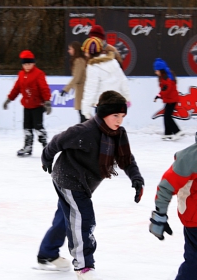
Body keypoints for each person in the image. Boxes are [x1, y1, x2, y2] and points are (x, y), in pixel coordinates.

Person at [38, 90, 144, 280]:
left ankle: (47, 253)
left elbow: (126, 159)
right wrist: (46, 158)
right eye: (115, 115)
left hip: (85, 182)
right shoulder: (84, 131)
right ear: (103, 114)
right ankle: (84, 266)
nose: (119, 120)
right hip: (68, 178)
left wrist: (136, 179)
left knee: (68, 216)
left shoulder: (118, 134)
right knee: (83, 220)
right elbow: (57, 142)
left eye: (122, 116)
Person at [149, 133, 197, 280]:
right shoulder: (190, 158)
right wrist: (160, 216)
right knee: (194, 265)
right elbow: (166, 186)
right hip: (195, 221)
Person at [3, 50, 51, 156]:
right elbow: (16, 89)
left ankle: (46, 147)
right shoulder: (21, 74)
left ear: (33, 63)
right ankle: (28, 147)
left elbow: (44, 88)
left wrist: (47, 102)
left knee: (38, 127)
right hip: (27, 106)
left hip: (38, 105)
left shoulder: (38, 74)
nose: (27, 66)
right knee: (27, 127)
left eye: (29, 63)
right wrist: (9, 99)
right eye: (25, 64)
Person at [81, 37, 130, 120]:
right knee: (112, 131)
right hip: (116, 105)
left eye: (86, 52)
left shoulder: (93, 66)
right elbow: (123, 81)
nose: (85, 54)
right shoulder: (113, 62)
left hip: (103, 107)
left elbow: (91, 89)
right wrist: (127, 98)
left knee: (102, 131)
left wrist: (85, 110)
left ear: (91, 52)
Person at [153, 58, 183, 141]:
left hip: (172, 100)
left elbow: (167, 89)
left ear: (160, 70)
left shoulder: (167, 77)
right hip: (170, 99)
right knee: (166, 116)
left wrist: (160, 94)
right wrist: (158, 95)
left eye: (156, 70)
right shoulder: (164, 77)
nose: (155, 72)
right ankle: (168, 133)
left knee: (167, 116)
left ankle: (177, 131)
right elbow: (164, 90)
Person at [60, 41, 87, 123]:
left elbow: (77, 78)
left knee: (83, 114)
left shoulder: (79, 61)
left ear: (75, 50)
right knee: (83, 114)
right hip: (81, 90)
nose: (69, 51)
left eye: (70, 49)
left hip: (81, 90)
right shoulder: (79, 60)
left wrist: (66, 89)